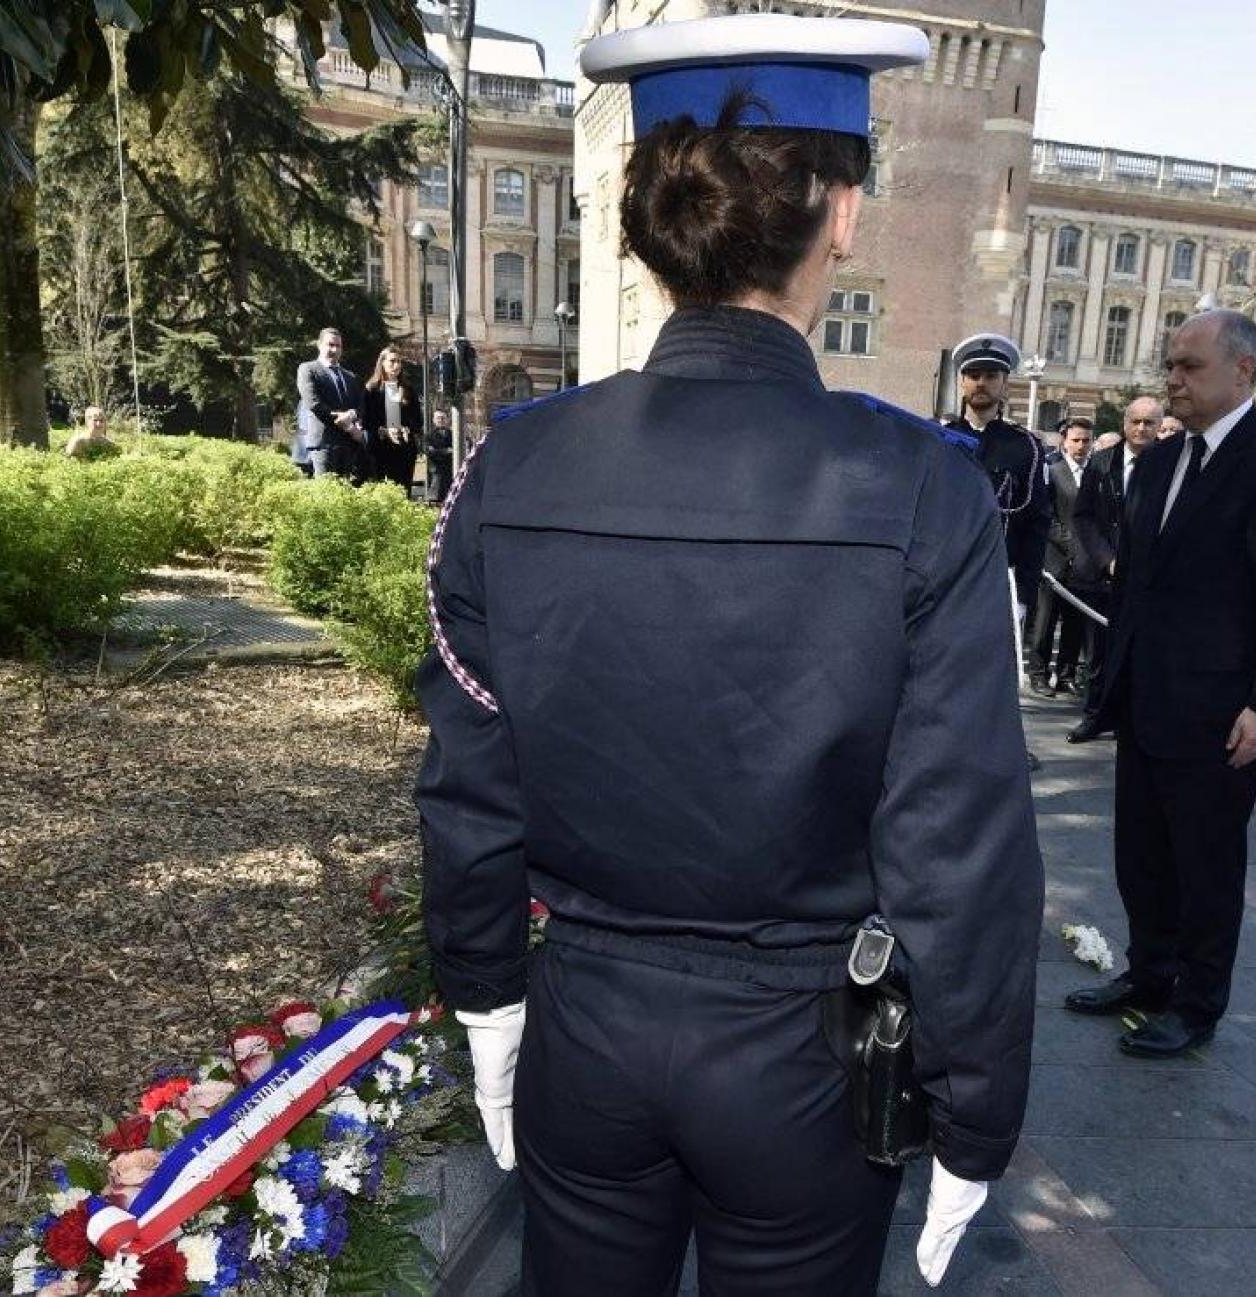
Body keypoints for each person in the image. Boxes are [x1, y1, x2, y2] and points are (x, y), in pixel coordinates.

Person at [420, 18, 1041, 1293]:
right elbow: (958, 837)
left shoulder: (517, 461)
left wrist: (487, 997)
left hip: (587, 1027)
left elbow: (471, 776)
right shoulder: (923, 486)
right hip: (805, 1057)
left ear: (648, 217)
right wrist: (976, 1105)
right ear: (844, 214)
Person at [1064, 309, 1256, 1057]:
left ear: (1243, 370)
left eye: (1189, 366)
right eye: (1170, 365)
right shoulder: (1156, 463)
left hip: (1222, 710)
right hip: (1147, 695)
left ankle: (1198, 1000)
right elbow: (1140, 584)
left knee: (1206, 863)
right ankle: (1150, 975)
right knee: (1141, 853)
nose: (1172, 380)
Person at [1065, 395, 1161, 743]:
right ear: (1125, 424)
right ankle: (1094, 716)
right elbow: (1083, 517)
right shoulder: (1101, 463)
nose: (1141, 428)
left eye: (1149, 422)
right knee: (1099, 656)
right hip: (1103, 577)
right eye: (1136, 421)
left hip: (1148, 580)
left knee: (1140, 654)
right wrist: (1108, 560)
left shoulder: (1168, 465)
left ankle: (1131, 721)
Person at [945, 333, 1050, 625]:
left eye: (991, 376)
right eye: (973, 375)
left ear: (1004, 385)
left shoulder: (1025, 446)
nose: (981, 383)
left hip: (999, 579)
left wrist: (1024, 595)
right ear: (962, 382)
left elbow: (1036, 524)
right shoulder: (940, 438)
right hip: (943, 579)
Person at [1028, 416, 1094, 695]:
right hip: (1053, 559)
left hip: (1085, 564)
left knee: (1074, 622)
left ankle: (1066, 674)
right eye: (1076, 440)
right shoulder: (1050, 469)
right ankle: (1039, 673)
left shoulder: (1096, 473)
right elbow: (1047, 514)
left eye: (1086, 440)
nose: (1081, 446)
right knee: (1045, 620)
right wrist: (1070, 544)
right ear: (1064, 441)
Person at [295, 327, 365, 479]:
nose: (334, 350)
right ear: (319, 345)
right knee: (325, 494)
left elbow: (360, 406)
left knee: (344, 494)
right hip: (323, 443)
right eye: (330, 345)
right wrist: (343, 421)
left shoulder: (350, 377)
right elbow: (314, 404)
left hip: (347, 444)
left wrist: (352, 415)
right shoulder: (308, 369)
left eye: (338, 346)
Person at [362, 346, 422, 495]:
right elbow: (365, 419)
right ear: (382, 363)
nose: (396, 365)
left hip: (404, 449)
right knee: (381, 491)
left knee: (403, 491)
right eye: (392, 361)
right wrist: (383, 430)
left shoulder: (408, 389)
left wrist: (407, 428)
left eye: (399, 361)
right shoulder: (371, 390)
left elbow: (418, 420)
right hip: (380, 449)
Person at [422, 408, 454, 503]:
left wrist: (437, 451)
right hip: (436, 472)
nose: (441, 420)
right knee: (435, 500)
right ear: (433, 420)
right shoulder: (428, 436)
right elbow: (429, 452)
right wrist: (446, 451)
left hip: (450, 471)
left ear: (447, 419)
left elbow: (458, 449)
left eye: (443, 418)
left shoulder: (454, 434)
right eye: (438, 418)